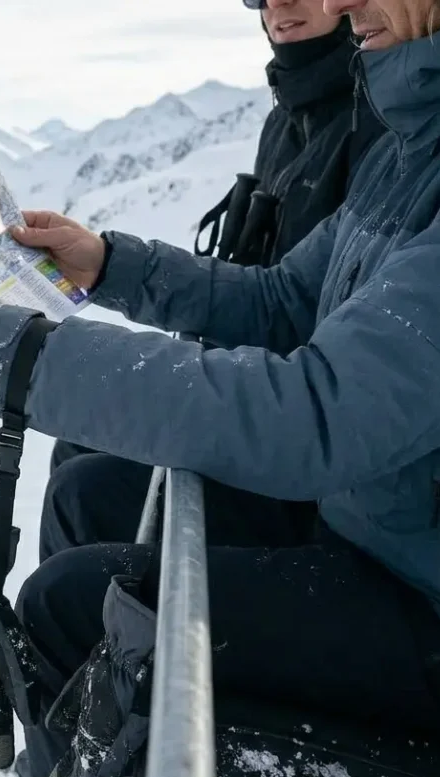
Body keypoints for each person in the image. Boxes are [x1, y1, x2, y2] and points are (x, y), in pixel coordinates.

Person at [0, 1, 440, 775]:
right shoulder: (414, 146)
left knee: (75, 606)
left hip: (425, 606)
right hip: (374, 523)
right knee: (93, 502)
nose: (335, 3)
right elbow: (282, 302)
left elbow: (312, 413)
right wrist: (109, 264)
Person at [45, 0, 385, 565]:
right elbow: (271, 288)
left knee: (84, 498)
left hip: (303, 441)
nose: (279, 4)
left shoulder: (382, 127)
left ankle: (104, 645)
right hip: (256, 390)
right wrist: (104, 262)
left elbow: (304, 321)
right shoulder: (288, 118)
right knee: (76, 449)